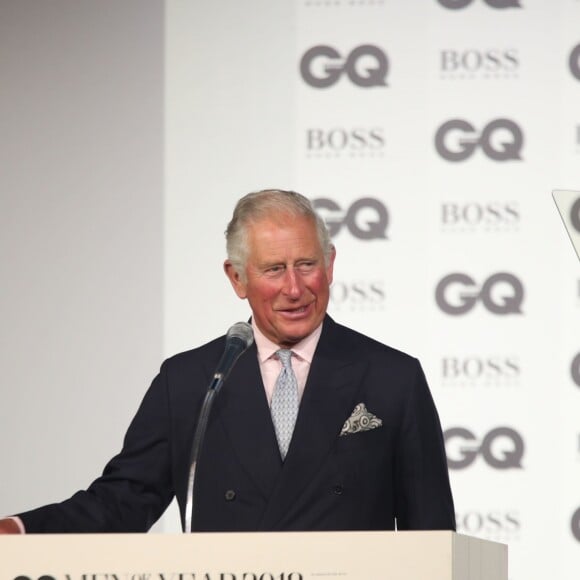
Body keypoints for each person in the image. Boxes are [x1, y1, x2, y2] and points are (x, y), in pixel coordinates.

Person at [0, 189, 455, 533]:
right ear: (237, 278)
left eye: (307, 265)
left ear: (331, 265)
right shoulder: (190, 381)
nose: (294, 289)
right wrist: (24, 530)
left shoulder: (392, 378)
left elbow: (433, 533)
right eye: (274, 269)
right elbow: (124, 499)